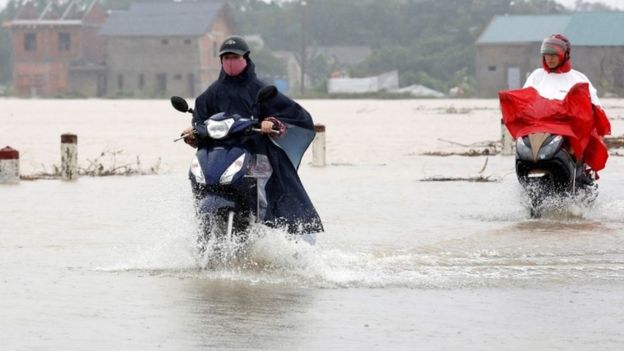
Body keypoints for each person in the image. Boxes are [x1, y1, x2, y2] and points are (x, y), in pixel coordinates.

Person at [181, 35, 323, 236]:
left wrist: (271, 122)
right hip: (219, 154)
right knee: (198, 176)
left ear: (246, 59)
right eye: (226, 57)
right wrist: (193, 132)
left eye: (235, 57)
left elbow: (293, 115)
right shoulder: (212, 93)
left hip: (256, 152)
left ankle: (263, 228)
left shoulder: (261, 89)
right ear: (221, 61)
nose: (230, 61)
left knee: (261, 190)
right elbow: (201, 119)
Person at [518, 34, 611, 178]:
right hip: (539, 130)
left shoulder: (578, 78)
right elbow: (523, 100)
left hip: (568, 133)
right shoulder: (536, 76)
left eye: (554, 54)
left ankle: (579, 175)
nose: (549, 58)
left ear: (565, 54)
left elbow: (595, 109)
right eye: (546, 54)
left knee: (576, 147)